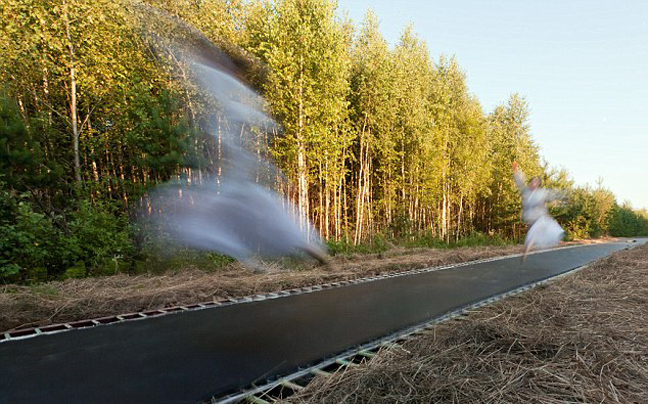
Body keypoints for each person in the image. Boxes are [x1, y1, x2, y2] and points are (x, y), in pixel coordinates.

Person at [512, 162, 564, 261]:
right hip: (530, 218)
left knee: (536, 233)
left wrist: (561, 197)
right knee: (531, 235)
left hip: (539, 217)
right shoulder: (526, 191)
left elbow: (552, 195)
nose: (532, 183)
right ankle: (528, 247)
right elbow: (520, 182)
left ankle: (527, 250)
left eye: (535, 182)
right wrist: (516, 171)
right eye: (531, 181)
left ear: (538, 185)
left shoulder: (542, 193)